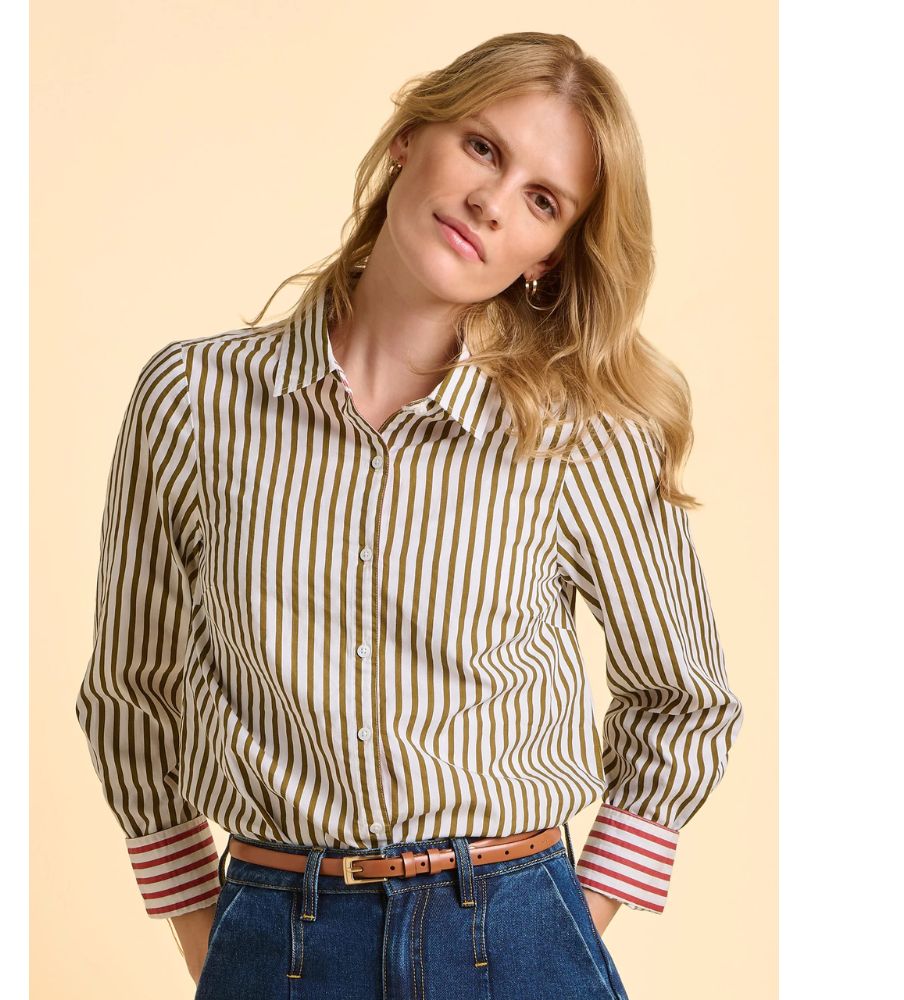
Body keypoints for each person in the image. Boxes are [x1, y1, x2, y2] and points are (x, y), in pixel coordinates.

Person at [75, 30, 744, 999]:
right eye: (482, 147)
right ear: (408, 137)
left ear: (549, 257)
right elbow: (129, 695)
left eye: (542, 200)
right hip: (275, 931)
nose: (491, 201)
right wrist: (210, 938)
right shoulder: (193, 399)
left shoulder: (583, 435)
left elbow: (685, 701)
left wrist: (573, 925)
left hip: (514, 928)